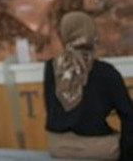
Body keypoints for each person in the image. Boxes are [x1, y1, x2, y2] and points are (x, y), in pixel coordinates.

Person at [43, 11, 133, 160]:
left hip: (58, 147)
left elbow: (50, 109)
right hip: (97, 149)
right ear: (91, 33)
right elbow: (128, 115)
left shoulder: (50, 68)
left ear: (63, 35)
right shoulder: (106, 71)